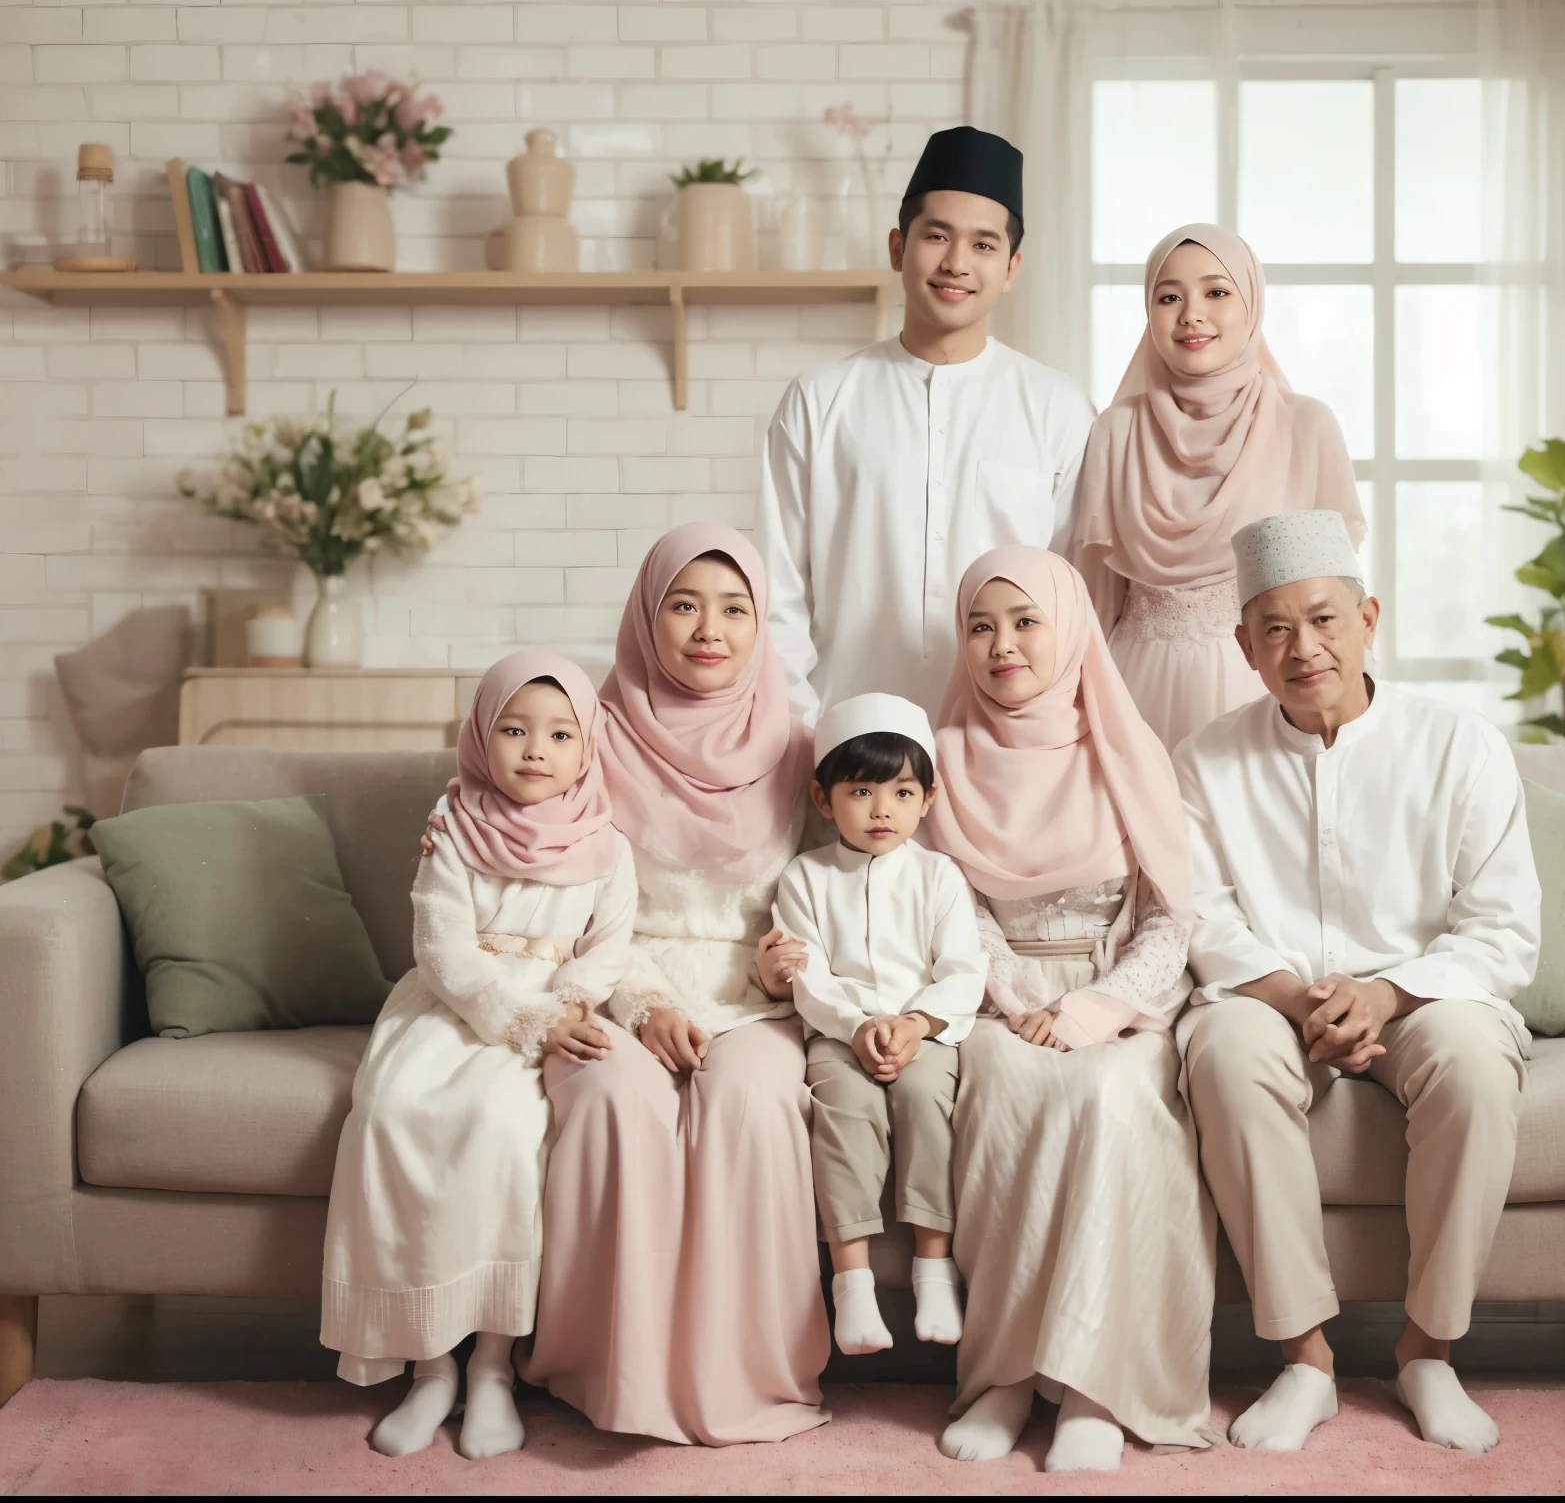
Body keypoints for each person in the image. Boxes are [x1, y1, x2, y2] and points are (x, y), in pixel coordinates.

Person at [1176, 509, 1540, 1457]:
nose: (1305, 649)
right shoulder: (1205, 760)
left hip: (1422, 995)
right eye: (1277, 630)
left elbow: (1502, 930)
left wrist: (1385, 995)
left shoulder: (1461, 748)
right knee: (1217, 1050)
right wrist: (1300, 1000)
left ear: (1369, 618)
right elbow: (1202, 916)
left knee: (1474, 1062)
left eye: (1326, 620)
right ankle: (1306, 1360)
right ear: (1247, 647)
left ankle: (1429, 1354)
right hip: (1269, 997)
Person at [513, 524, 829, 1447]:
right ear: (647, 619)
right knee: (613, 1095)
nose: (709, 630)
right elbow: (529, 845)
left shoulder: (803, 747)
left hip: (759, 989)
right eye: (683, 605)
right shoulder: (594, 735)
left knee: (752, 1104)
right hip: (615, 974)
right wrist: (645, 1005)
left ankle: (745, 1374)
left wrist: (787, 962)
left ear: (762, 625)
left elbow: (839, 885)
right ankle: (605, 1371)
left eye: (736, 610)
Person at [923, 546, 1215, 1475]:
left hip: (1121, 1002)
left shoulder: (1129, 752)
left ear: (1072, 629)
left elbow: (1174, 918)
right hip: (995, 1003)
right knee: (1006, 1090)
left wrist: (1100, 1007)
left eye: (1025, 622)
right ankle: (1009, 1373)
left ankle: (1096, 1385)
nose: (1003, 645)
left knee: (1111, 1101)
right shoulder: (942, 758)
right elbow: (948, 909)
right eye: (981, 625)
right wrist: (1014, 1001)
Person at [324, 652, 637, 1461]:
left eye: (561, 733)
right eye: (515, 729)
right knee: (392, 1113)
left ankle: (494, 1363)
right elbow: (443, 949)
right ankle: (432, 1367)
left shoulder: (606, 842)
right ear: (480, 735)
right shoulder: (453, 824)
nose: (537, 749)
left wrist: (564, 1007)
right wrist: (515, 1014)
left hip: (554, 1012)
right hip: (458, 1006)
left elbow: (608, 950)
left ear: (587, 746)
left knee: (502, 1125)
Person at [758, 125, 1098, 719]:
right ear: (897, 246)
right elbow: (779, 591)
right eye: (936, 236)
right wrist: (806, 732)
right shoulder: (818, 399)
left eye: (984, 246)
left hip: (1003, 751)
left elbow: (1072, 599)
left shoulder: (1059, 408)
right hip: (845, 746)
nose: (957, 263)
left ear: (1013, 267)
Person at [1071, 224, 1365, 750]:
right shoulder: (1115, 429)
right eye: (1169, 297)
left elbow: (1338, 598)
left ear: (1251, 301)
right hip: (1134, 690)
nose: (1192, 314)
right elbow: (1093, 598)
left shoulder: (1307, 426)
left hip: (1268, 686)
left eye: (1217, 292)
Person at [765, 693, 986, 1358]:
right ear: (823, 798)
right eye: (861, 790)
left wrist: (916, 1024)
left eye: (901, 791)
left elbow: (962, 967)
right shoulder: (805, 878)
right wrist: (856, 1025)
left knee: (925, 1101)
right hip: (839, 1035)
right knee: (846, 1109)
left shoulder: (939, 876)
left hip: (923, 1033)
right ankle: (852, 1283)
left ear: (928, 799)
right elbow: (808, 974)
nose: (882, 809)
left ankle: (934, 1269)